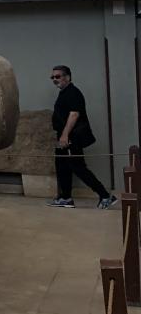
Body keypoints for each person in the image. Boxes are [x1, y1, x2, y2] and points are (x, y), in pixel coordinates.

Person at [47, 65, 116, 209]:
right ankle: (66, 198)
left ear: (67, 77)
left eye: (57, 76)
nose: (54, 79)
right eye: (52, 77)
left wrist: (65, 135)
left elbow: (74, 114)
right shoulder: (64, 92)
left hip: (71, 137)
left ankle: (105, 196)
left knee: (78, 167)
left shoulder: (73, 92)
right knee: (62, 166)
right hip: (63, 136)